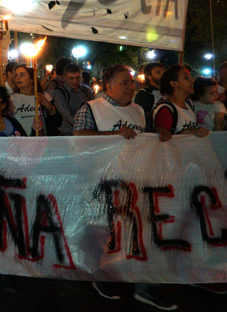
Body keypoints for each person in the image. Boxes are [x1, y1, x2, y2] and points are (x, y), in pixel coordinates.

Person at [73, 64, 176, 309]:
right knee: (106, 233)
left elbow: (144, 139)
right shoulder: (91, 108)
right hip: (101, 183)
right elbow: (77, 138)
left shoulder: (139, 110)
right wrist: (113, 135)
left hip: (136, 182)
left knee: (139, 233)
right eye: (124, 82)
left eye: (132, 82)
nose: (131, 86)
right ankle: (103, 276)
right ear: (108, 86)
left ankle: (142, 284)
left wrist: (160, 133)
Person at [152, 65, 209, 138]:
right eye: (186, 78)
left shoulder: (189, 104)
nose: (192, 80)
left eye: (190, 77)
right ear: (174, 83)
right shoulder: (166, 109)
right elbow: (162, 141)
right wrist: (185, 132)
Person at [10, 65, 56, 136]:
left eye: (22, 75)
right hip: (21, 142)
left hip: (43, 142)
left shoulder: (45, 97)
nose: (17, 78)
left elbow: (57, 121)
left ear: (31, 79)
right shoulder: (11, 99)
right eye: (16, 75)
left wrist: (47, 104)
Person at [52, 63, 94, 136]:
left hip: (86, 133)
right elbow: (68, 116)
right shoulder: (60, 94)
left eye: (77, 78)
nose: (75, 81)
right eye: (71, 78)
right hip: (68, 134)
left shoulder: (87, 91)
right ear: (64, 77)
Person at [134, 62, 164, 130]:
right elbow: (142, 118)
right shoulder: (145, 94)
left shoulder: (166, 93)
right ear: (149, 76)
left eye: (163, 71)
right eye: (158, 72)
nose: (162, 75)